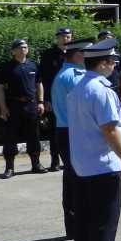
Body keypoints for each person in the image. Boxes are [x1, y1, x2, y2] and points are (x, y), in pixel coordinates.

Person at [66, 37, 121, 241]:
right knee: (104, 221)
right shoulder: (102, 90)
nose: (114, 66)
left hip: (82, 164)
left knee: (84, 219)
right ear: (103, 64)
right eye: (112, 61)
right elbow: (109, 129)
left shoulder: (78, 88)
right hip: (102, 165)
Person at [50, 37, 93, 238]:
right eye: (87, 55)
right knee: (78, 181)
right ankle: (79, 228)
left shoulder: (67, 73)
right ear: (77, 55)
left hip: (67, 131)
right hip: (73, 132)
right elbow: (87, 107)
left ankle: (74, 228)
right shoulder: (74, 77)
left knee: (71, 180)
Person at [0, 38, 45, 178]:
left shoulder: (33, 65)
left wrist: (41, 102)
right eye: (19, 48)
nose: (23, 50)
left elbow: (39, 84)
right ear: (14, 50)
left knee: (34, 135)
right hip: (13, 105)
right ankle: (9, 168)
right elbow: (0, 88)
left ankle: (36, 164)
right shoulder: (6, 66)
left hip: (31, 104)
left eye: (25, 47)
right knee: (10, 136)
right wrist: (3, 107)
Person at [39, 26, 73, 170]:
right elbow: (44, 79)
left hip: (71, 98)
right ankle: (55, 160)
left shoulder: (74, 54)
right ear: (57, 38)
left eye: (68, 36)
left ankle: (70, 159)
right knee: (55, 130)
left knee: (72, 129)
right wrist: (46, 99)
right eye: (62, 36)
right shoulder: (48, 55)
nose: (65, 39)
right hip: (54, 99)